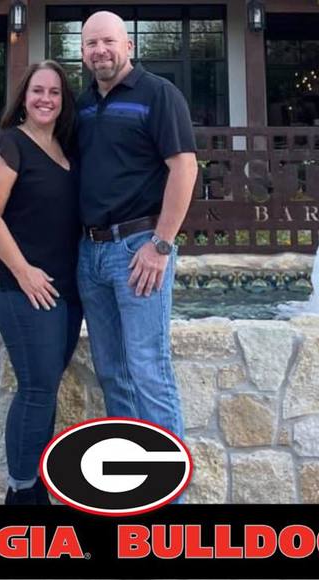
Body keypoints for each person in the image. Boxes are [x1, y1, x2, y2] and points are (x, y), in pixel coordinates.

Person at [76, 11, 199, 441]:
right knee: (112, 372)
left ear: (129, 46)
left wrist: (161, 245)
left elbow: (184, 168)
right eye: (92, 44)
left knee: (148, 368)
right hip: (90, 253)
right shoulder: (83, 104)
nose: (100, 51)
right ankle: (133, 471)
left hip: (138, 249)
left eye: (108, 41)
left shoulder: (159, 94)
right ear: (83, 52)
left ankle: (170, 479)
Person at [0, 60, 82, 505]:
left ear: (63, 101)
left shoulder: (65, 148)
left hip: (64, 289)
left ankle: (37, 486)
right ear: (23, 97)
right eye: (38, 90)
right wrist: (24, 271)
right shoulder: (9, 146)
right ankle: (20, 493)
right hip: (19, 287)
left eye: (54, 92)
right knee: (37, 387)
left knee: (46, 387)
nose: (45, 99)